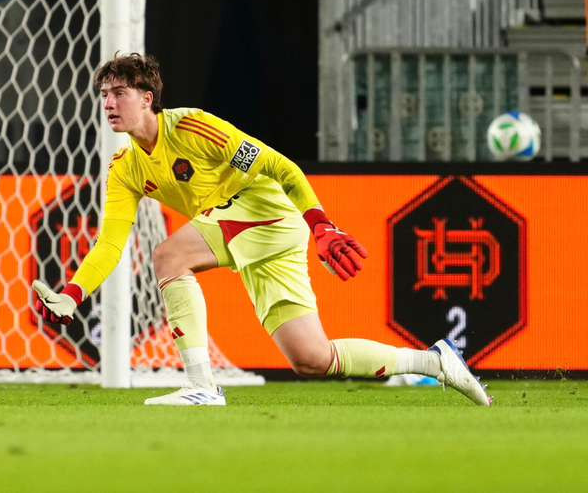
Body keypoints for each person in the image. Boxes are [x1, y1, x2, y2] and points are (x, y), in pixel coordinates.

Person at [32, 53, 491, 407]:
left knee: (169, 256)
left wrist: (322, 226)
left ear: (147, 98)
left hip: (264, 210)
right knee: (312, 359)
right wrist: (73, 293)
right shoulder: (125, 168)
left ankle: (201, 385)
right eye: (104, 94)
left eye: (119, 92)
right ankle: (436, 361)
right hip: (250, 234)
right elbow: (111, 243)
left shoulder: (193, 128)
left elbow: (280, 166)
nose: (109, 103)